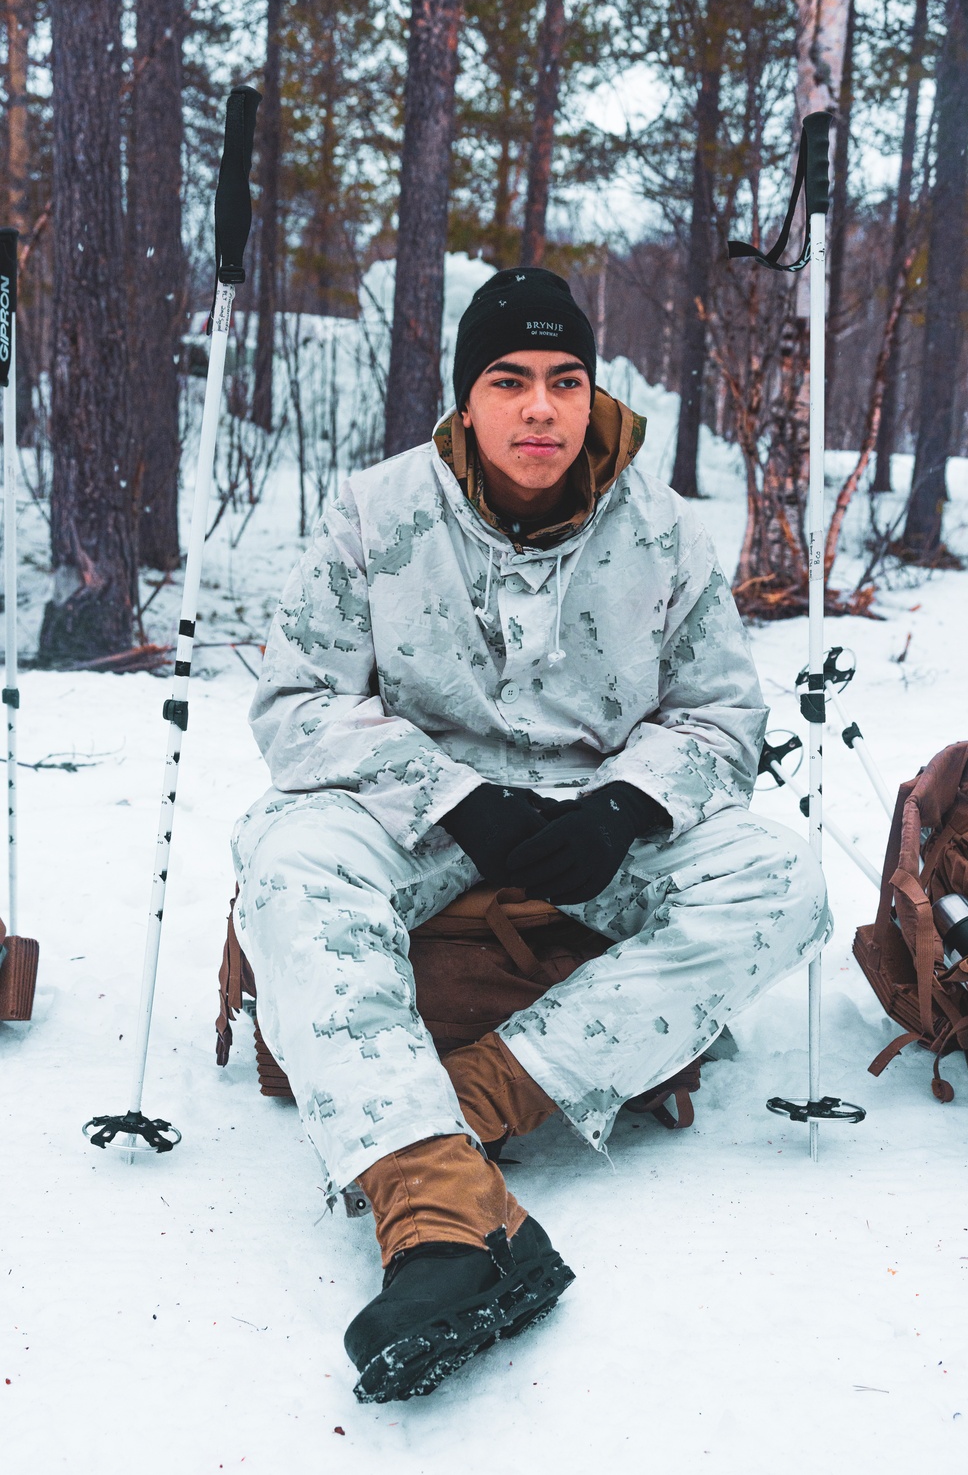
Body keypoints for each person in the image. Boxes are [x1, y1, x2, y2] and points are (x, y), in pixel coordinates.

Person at [231, 267, 832, 1403]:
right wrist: (450, 794)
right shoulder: (376, 508)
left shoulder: (662, 525)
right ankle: (446, 1225)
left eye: (564, 379)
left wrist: (630, 803)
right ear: (468, 400)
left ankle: (468, 1103)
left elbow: (720, 712)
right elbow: (298, 702)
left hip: (592, 816)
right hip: (424, 810)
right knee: (285, 854)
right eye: (509, 380)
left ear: (590, 391)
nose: (541, 408)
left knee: (782, 875)